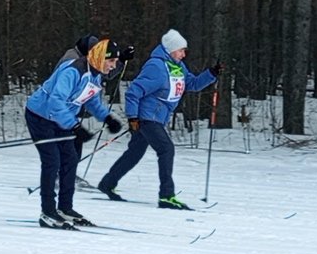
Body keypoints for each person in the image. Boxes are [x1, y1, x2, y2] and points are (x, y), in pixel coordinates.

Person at [96, 29, 220, 210]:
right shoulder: (156, 66)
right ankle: (166, 196)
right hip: (147, 118)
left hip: (157, 118)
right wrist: (133, 118)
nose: (184, 54)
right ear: (171, 50)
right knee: (166, 149)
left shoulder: (177, 66)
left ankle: (108, 183)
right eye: (181, 50)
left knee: (134, 153)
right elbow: (133, 92)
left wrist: (212, 73)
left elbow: (192, 84)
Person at [25, 38, 124, 229]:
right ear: (99, 57)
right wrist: (75, 127)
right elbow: (56, 101)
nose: (113, 66)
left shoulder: (94, 74)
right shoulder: (73, 71)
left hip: (61, 117)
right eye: (111, 61)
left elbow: (90, 100)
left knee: (70, 159)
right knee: (52, 161)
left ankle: (65, 208)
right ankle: (47, 211)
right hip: (40, 116)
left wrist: (107, 118)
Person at [61, 34, 135, 162]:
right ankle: (61, 175)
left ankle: (69, 174)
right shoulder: (72, 58)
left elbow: (106, 73)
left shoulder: (90, 62)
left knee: (75, 143)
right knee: (67, 144)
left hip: (72, 110)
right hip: (61, 110)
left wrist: (121, 59)